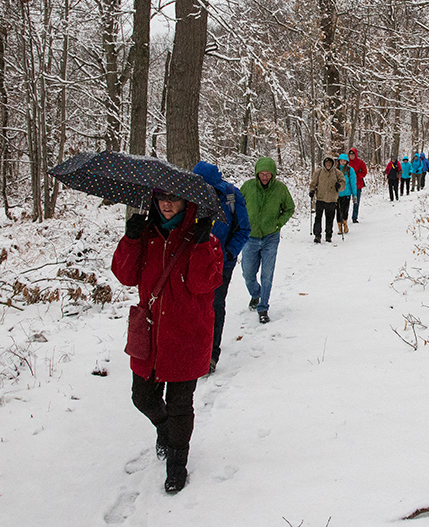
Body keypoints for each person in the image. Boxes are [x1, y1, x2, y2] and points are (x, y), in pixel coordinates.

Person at [112, 191, 224, 494]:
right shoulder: (146, 236)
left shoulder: (205, 239)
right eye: (161, 198)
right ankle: (163, 428)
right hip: (150, 333)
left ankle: (177, 463)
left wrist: (201, 244)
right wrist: (131, 240)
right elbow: (125, 276)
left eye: (174, 198)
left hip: (187, 335)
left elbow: (206, 283)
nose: (167, 204)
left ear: (187, 202)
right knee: (142, 398)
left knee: (179, 404)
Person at [193, 161, 251, 374]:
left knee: (215, 304)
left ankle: (211, 354)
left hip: (222, 263)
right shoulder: (189, 197)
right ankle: (196, 348)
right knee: (195, 306)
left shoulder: (231, 197)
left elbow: (244, 228)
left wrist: (228, 253)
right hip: (193, 262)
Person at [240, 157, 295, 324]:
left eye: (268, 174)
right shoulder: (248, 187)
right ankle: (255, 293)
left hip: (270, 236)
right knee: (248, 272)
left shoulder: (280, 189)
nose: (264, 177)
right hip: (250, 236)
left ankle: (263, 307)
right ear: (257, 173)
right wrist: (241, 224)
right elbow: (238, 206)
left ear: (273, 174)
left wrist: (278, 223)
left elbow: (289, 208)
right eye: (262, 174)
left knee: (267, 274)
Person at [309, 155, 345, 243]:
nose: (328, 164)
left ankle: (328, 235)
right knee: (318, 218)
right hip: (320, 198)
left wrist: (339, 186)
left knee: (330, 219)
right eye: (326, 162)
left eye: (330, 162)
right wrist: (312, 191)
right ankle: (317, 235)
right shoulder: (319, 172)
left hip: (332, 199)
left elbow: (343, 183)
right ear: (324, 163)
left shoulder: (337, 173)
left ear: (332, 163)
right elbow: (313, 183)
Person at [336, 153, 357, 235]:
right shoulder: (335, 170)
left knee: (345, 210)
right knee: (338, 211)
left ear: (347, 161)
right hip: (337, 194)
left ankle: (345, 224)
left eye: (344, 161)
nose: (342, 162)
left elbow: (353, 182)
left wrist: (354, 194)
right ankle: (339, 227)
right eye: (341, 161)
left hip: (346, 193)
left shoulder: (350, 170)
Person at [347, 148, 367, 223]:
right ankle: (344, 217)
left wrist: (357, 175)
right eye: (350, 154)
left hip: (357, 186)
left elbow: (364, 172)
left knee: (356, 202)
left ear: (356, 155)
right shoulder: (346, 162)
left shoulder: (360, 162)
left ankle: (354, 217)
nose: (351, 156)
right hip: (348, 186)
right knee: (346, 202)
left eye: (353, 154)